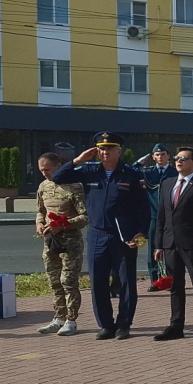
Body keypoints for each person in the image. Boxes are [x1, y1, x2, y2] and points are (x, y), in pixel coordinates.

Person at [52, 131, 151, 340]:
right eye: (101, 149)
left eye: (109, 148)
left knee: (125, 282)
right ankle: (106, 325)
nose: (104, 152)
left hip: (124, 235)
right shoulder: (89, 170)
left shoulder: (131, 174)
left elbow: (143, 207)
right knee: (97, 282)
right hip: (97, 234)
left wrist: (141, 232)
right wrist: (78, 160)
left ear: (119, 151)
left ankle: (124, 325)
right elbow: (58, 177)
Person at [152, 147, 193, 343]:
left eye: (184, 158)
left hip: (192, 244)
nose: (179, 161)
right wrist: (159, 245)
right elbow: (161, 217)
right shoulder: (167, 184)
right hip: (170, 243)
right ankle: (176, 325)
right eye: (177, 158)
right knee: (175, 286)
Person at [34, 152, 87, 337]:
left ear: (58, 166)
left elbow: (84, 216)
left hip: (70, 242)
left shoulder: (74, 186)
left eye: (47, 169)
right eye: (41, 170)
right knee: (54, 280)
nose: (45, 174)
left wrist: (63, 224)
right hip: (50, 241)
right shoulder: (43, 186)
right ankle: (58, 317)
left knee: (68, 281)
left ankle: (71, 320)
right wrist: (40, 223)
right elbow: (40, 210)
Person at [137, 143, 176, 288]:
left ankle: (172, 279)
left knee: (172, 249)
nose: (160, 157)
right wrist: (139, 162)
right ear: (153, 157)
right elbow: (131, 170)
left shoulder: (174, 172)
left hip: (171, 216)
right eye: (157, 155)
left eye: (163, 154)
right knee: (154, 248)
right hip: (153, 216)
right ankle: (155, 281)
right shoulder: (147, 172)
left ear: (168, 156)